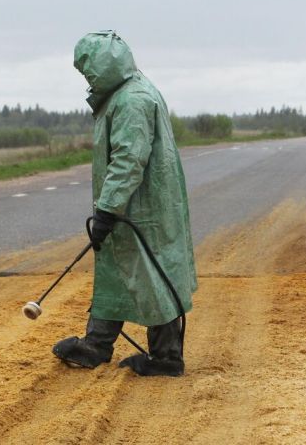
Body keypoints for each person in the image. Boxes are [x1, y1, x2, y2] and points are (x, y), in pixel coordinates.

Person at [52, 31, 197, 377]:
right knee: (121, 270)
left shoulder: (131, 99)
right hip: (135, 204)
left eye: (88, 69)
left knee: (149, 276)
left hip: (139, 206)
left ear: (103, 65)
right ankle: (97, 345)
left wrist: (107, 207)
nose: (87, 77)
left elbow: (128, 160)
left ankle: (166, 358)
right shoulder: (127, 91)